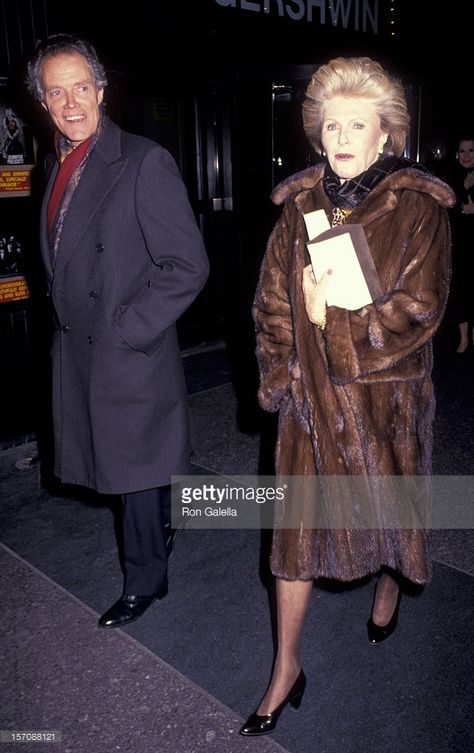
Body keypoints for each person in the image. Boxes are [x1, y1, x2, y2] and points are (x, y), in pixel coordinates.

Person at [240, 56, 454, 736]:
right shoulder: (298, 205)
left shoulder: (419, 207)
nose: (340, 134)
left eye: (356, 122)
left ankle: (389, 588)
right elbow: (272, 305)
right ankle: (286, 667)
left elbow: (420, 310)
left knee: (392, 529)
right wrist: (286, 373)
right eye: (331, 122)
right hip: (311, 407)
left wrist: (333, 323)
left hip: (385, 408)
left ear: (386, 133)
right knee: (292, 547)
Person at [26, 35, 209, 628]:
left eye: (81, 87)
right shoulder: (55, 165)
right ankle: (161, 529)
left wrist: (130, 330)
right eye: (57, 92)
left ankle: (144, 583)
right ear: (43, 102)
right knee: (128, 473)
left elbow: (188, 265)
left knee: (132, 476)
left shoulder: (142, 161)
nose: (71, 103)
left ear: (102, 91)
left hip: (128, 350)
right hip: (82, 349)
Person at [446, 137, 474, 353]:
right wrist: (463, 187)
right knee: (461, 290)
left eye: (471, 151)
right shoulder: (451, 176)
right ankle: (463, 338)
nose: (466, 155)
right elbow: (446, 206)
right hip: (460, 244)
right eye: (462, 151)